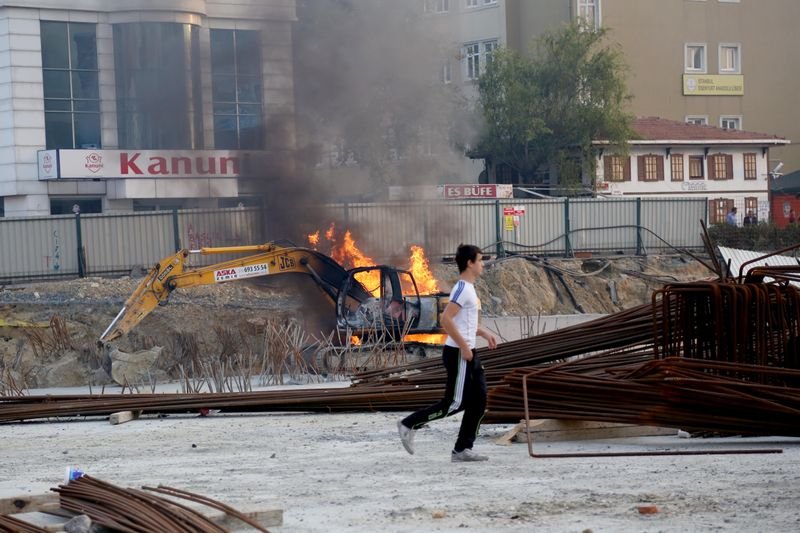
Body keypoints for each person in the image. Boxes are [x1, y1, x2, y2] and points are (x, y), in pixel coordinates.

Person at [397, 244, 498, 462]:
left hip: (469, 351)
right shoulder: (462, 288)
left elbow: (465, 322)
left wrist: (484, 333)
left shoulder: (470, 289)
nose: (482, 264)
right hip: (459, 353)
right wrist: (464, 347)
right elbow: (446, 319)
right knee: (454, 403)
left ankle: (462, 449)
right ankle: (409, 423)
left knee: (479, 401)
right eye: (480, 260)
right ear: (470, 263)